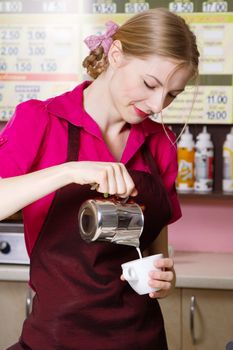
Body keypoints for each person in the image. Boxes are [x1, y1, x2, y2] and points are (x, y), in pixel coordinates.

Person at [0, 7, 199, 350]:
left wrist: (165, 281)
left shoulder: (160, 144)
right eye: (150, 84)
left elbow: (156, 252)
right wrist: (71, 170)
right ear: (117, 54)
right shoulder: (41, 120)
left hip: (142, 339)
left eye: (171, 95)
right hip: (56, 337)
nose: (156, 104)